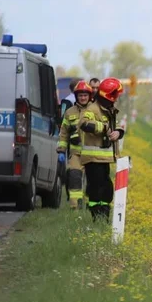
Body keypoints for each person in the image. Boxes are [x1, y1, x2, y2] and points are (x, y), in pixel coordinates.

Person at [78, 77, 125, 221]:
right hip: (93, 158)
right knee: (97, 189)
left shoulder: (109, 110)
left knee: (107, 189)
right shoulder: (93, 109)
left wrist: (118, 132)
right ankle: (96, 217)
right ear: (108, 96)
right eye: (114, 96)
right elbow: (83, 123)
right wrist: (103, 128)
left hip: (104, 158)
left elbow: (116, 126)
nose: (116, 99)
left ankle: (103, 215)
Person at [58, 80, 93, 209]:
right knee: (74, 177)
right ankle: (75, 207)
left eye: (85, 95)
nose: (83, 98)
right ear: (76, 96)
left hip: (92, 153)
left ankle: (91, 206)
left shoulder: (95, 110)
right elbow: (64, 132)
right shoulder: (69, 112)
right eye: (80, 95)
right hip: (76, 153)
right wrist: (61, 150)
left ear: (89, 96)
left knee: (92, 181)